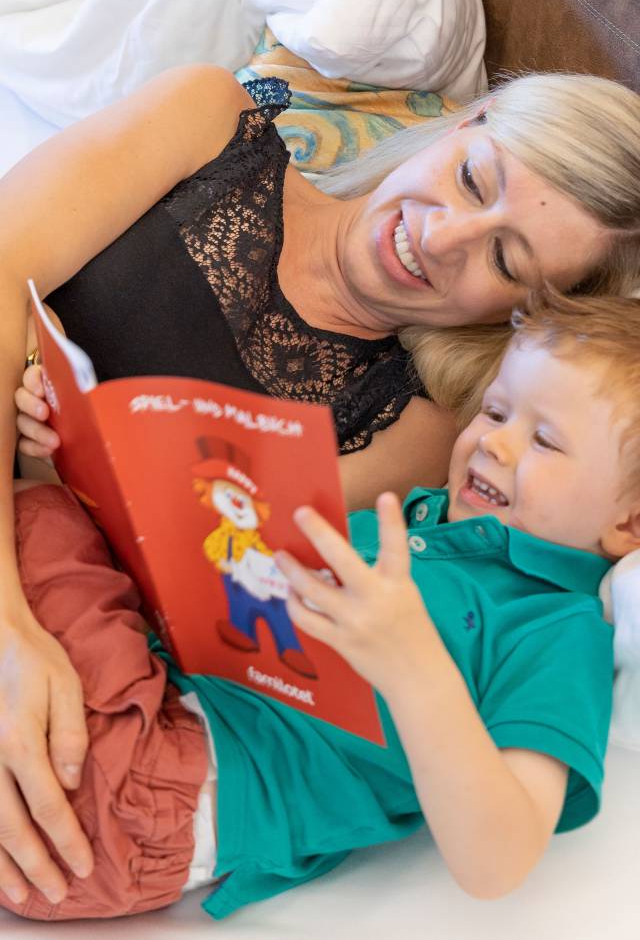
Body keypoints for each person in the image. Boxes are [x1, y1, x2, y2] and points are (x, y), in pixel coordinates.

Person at [2, 63, 640, 906]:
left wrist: (49, 463)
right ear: (464, 121)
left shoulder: (429, 442)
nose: (442, 237)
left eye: (503, 256)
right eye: (473, 177)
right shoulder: (209, 123)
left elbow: (188, 582)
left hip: (75, 618)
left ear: (530, 311)